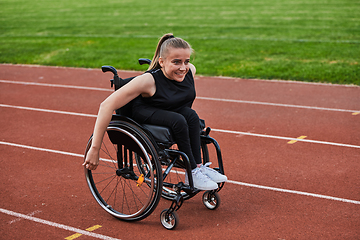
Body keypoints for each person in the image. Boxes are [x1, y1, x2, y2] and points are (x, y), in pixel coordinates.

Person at [83, 33, 227, 190]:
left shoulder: (190, 71)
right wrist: (94, 149)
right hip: (143, 111)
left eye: (186, 61)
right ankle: (191, 171)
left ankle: (198, 167)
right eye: (176, 62)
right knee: (178, 120)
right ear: (161, 62)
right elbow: (106, 106)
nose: (183, 67)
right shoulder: (148, 81)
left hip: (167, 108)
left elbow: (181, 99)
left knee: (191, 116)